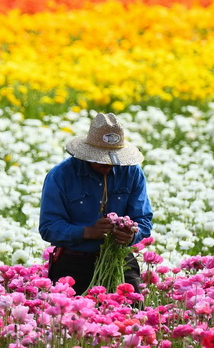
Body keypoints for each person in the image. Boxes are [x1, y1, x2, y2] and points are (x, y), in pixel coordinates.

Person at [39, 113, 153, 296]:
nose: (109, 163)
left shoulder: (131, 173)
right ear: (88, 152)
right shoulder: (62, 175)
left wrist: (130, 235)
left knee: (134, 313)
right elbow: (48, 227)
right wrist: (87, 232)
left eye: (113, 158)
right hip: (74, 259)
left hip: (119, 258)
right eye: (102, 158)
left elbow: (144, 220)